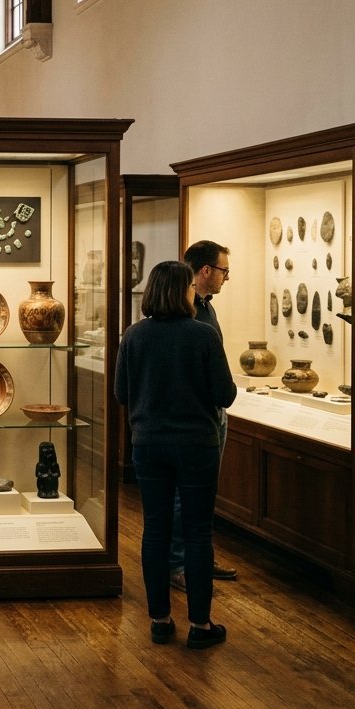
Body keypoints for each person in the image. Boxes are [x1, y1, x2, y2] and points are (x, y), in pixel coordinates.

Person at [114, 260, 237, 649]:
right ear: (183, 290)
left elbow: (121, 393)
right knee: (198, 532)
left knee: (156, 529)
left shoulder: (134, 336)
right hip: (196, 444)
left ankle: (159, 620)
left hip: (148, 444)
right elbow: (225, 394)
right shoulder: (202, 336)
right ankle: (200, 625)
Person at [168, 240, 236, 593]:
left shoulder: (205, 307)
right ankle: (180, 562)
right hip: (195, 417)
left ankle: (198, 558)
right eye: (224, 270)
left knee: (202, 493)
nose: (227, 278)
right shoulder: (184, 310)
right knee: (185, 495)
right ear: (206, 270)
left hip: (210, 413)